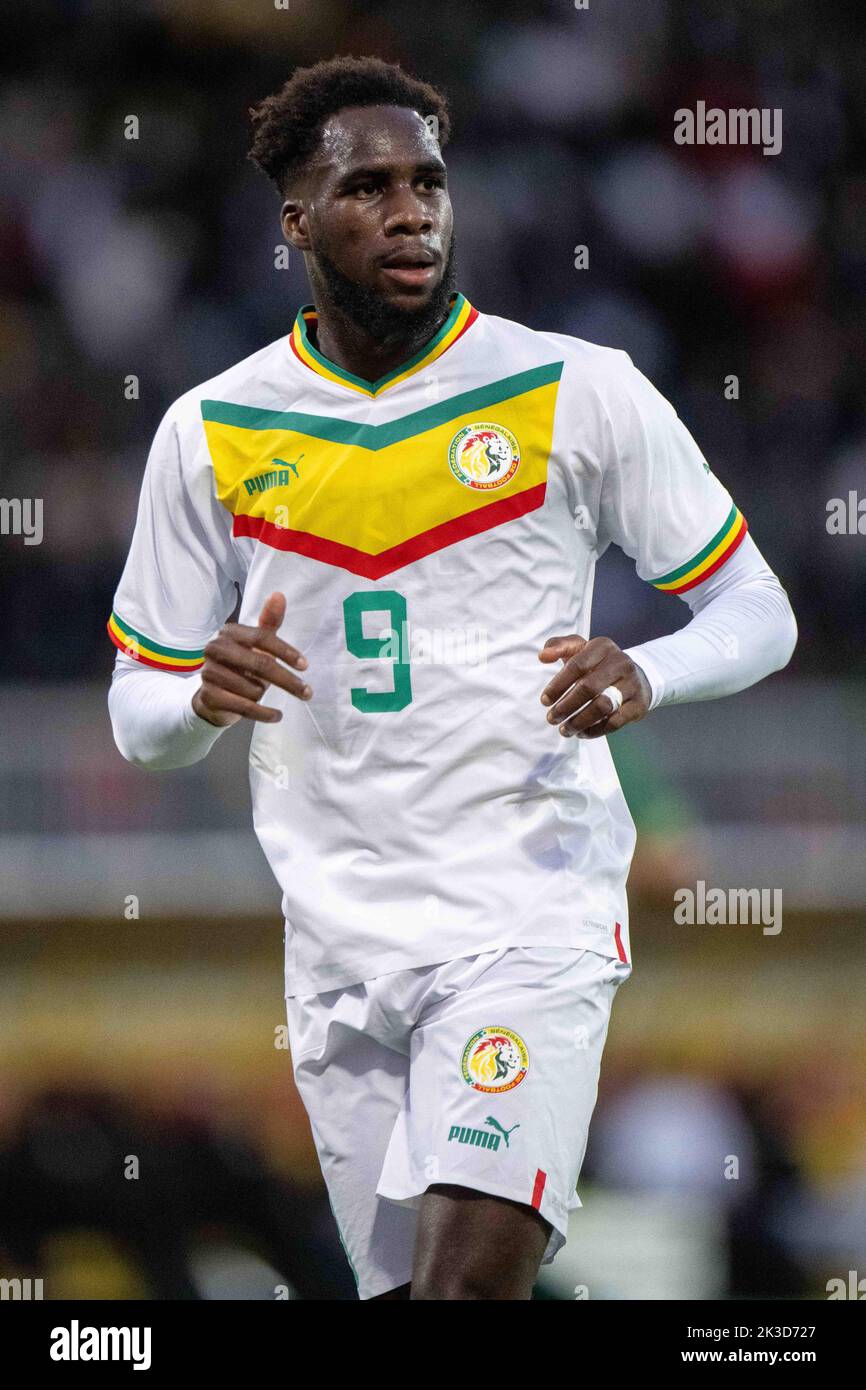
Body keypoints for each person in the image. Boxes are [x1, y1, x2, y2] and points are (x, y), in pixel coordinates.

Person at [107, 55, 797, 1300]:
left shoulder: (575, 389)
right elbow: (137, 716)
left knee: (463, 1289)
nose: (410, 210)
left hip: (525, 916)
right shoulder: (209, 430)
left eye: (426, 182)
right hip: (338, 946)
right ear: (297, 220)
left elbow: (757, 609)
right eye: (365, 186)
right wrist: (199, 696)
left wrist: (643, 673)